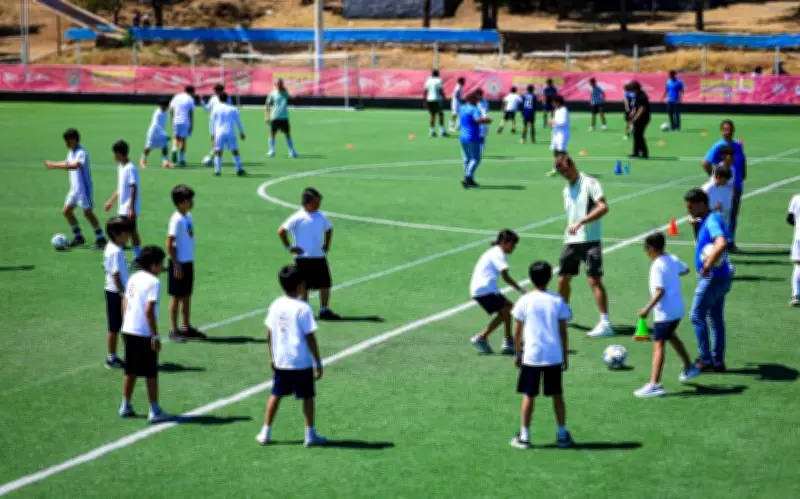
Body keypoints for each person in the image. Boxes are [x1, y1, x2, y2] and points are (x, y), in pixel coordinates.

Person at [256, 265, 326, 447]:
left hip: (281, 360)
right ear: (299, 285)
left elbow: (269, 333)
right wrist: (318, 361)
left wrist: (272, 356)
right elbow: (310, 336)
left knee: (276, 394)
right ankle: (310, 433)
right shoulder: (303, 308)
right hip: (300, 361)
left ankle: (265, 431)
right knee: (308, 397)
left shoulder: (276, 305)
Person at [509, 261, 573, 449]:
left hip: (532, 355)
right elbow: (563, 331)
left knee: (529, 395)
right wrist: (565, 355)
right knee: (557, 395)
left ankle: (525, 436)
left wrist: (517, 353)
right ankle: (562, 434)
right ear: (549, 278)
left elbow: (518, 330)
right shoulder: (557, 300)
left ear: (530, 278)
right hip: (553, 355)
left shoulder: (525, 300)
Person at [634, 232, 701, 398]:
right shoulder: (671, 258)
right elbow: (685, 270)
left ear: (651, 249)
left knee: (658, 345)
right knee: (670, 336)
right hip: (677, 309)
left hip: (665, 312)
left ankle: (654, 384)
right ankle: (689, 366)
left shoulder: (657, 266)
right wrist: (671, 274)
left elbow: (659, 292)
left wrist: (646, 310)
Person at [554, 155, 614, 338]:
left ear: (573, 165)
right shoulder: (566, 189)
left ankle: (605, 323)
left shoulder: (590, 183)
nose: (566, 175)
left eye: (567, 170)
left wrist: (583, 221)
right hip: (571, 240)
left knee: (593, 279)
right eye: (562, 173)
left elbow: (603, 207)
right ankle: (564, 312)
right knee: (563, 279)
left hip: (590, 239)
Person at [119, 245, 171, 424]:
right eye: (161, 264)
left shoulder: (134, 277)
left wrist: (125, 324)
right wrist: (155, 335)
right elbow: (149, 310)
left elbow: (125, 301)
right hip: (143, 332)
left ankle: (125, 405)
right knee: (151, 372)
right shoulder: (154, 282)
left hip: (129, 329)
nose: (162, 267)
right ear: (154, 265)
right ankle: (154, 410)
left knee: (131, 369)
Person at [684, 188, 733, 372]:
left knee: (696, 316)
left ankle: (705, 359)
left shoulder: (712, 220)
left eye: (690, 206)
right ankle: (718, 360)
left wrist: (707, 265)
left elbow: (720, 243)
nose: (688, 210)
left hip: (712, 277)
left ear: (701, 204)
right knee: (715, 318)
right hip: (722, 277)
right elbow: (705, 244)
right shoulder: (709, 219)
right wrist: (696, 227)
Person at [278, 188, 340, 320]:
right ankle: (304, 310)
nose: (319, 205)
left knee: (325, 283)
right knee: (304, 286)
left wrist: (327, 244)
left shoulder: (321, 216)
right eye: (316, 202)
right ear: (307, 203)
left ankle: (324, 309)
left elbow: (329, 229)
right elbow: (281, 231)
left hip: (319, 256)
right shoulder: (297, 217)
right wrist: (290, 248)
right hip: (303, 258)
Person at [44, 128, 107, 249]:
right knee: (67, 211)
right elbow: (67, 163)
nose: (66, 143)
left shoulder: (81, 152)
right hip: (74, 189)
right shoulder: (71, 152)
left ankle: (101, 238)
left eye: (68, 140)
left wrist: (53, 165)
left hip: (83, 189)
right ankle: (78, 237)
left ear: (75, 140)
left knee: (88, 213)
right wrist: (55, 163)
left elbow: (74, 166)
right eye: (65, 141)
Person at [469, 230, 527, 355]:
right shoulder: (498, 253)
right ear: (503, 242)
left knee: (507, 310)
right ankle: (485, 338)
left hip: (484, 289)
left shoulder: (495, 252)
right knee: (508, 309)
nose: (514, 248)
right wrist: (523, 291)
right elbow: (505, 277)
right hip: (484, 290)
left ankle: (506, 341)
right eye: (512, 244)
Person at [166, 184, 206, 342]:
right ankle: (174, 329)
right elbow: (169, 243)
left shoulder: (187, 216)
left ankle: (185, 327)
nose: (192, 202)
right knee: (176, 296)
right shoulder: (176, 220)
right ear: (181, 202)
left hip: (188, 261)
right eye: (190, 200)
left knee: (187, 295)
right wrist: (176, 264)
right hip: (179, 263)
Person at [702, 120, 746, 252]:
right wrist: (715, 177)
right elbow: (705, 162)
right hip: (722, 189)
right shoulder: (718, 146)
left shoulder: (737, 146)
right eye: (725, 129)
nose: (728, 132)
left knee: (732, 215)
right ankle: (715, 242)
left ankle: (730, 241)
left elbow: (742, 161)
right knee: (718, 214)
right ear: (721, 131)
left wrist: (743, 175)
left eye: (730, 129)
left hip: (735, 186)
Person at [104, 140, 142, 264]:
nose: (114, 156)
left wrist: (131, 208)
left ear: (119, 153)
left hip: (128, 208)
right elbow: (120, 189)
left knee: (130, 232)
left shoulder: (130, 168)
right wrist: (111, 201)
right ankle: (125, 258)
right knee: (127, 232)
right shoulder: (121, 167)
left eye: (115, 154)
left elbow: (133, 187)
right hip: (123, 207)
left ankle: (137, 258)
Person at [103, 216, 133, 370]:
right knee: (117, 327)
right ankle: (112, 357)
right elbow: (115, 274)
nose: (128, 236)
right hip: (116, 293)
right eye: (125, 233)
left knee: (121, 325)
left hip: (114, 292)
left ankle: (127, 355)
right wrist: (123, 293)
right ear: (116, 234)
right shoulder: (116, 251)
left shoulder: (113, 247)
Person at [458, 91, 492, 188]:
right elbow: (477, 120)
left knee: (467, 158)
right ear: (472, 100)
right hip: (472, 136)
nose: (478, 101)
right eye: (476, 99)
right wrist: (487, 120)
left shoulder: (462, 108)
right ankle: (468, 177)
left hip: (462, 137)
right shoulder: (474, 109)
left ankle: (470, 179)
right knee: (476, 159)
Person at [210, 92, 246, 177]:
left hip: (219, 133)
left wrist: (212, 135)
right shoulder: (232, 108)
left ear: (219, 99)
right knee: (235, 151)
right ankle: (239, 169)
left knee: (218, 151)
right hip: (230, 132)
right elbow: (238, 122)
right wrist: (241, 132)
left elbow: (212, 123)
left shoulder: (215, 109)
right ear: (227, 99)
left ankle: (217, 170)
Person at [702, 158, 734, 240]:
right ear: (718, 177)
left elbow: (727, 210)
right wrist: (713, 209)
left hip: (721, 226)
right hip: (707, 226)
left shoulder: (728, 190)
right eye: (725, 179)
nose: (726, 181)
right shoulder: (706, 189)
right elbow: (700, 210)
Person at [265, 79, 298, 158]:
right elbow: (267, 105)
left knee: (287, 134)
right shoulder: (272, 94)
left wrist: (290, 90)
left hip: (284, 117)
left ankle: (291, 151)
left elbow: (293, 97)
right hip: (275, 117)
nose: (279, 85)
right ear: (275, 84)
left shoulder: (285, 92)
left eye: (280, 84)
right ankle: (271, 151)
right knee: (272, 134)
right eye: (277, 84)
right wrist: (267, 116)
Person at [202, 83, 232, 166]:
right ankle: (214, 158)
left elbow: (229, 108)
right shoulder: (213, 98)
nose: (215, 92)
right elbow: (208, 109)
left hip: (221, 122)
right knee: (213, 140)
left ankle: (212, 157)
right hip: (212, 121)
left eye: (217, 90)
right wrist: (203, 104)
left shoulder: (226, 98)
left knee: (218, 141)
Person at [169, 85, 196, 166]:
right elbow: (191, 113)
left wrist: (172, 120)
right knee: (183, 140)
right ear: (191, 92)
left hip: (176, 120)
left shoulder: (176, 97)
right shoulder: (190, 99)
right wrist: (191, 125)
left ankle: (174, 149)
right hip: (185, 121)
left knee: (176, 137)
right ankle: (181, 159)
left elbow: (171, 109)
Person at [140, 99, 172, 169]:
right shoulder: (158, 113)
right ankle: (143, 160)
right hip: (153, 133)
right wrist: (165, 135)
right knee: (148, 147)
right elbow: (155, 125)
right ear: (162, 106)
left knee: (165, 146)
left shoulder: (165, 111)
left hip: (161, 132)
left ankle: (165, 162)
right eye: (167, 105)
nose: (168, 106)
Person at [545, 96, 570, 177]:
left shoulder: (564, 110)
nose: (552, 104)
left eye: (554, 102)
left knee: (561, 151)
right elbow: (555, 121)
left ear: (558, 102)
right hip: (555, 133)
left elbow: (562, 122)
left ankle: (569, 168)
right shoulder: (556, 110)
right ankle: (555, 169)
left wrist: (552, 122)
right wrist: (551, 123)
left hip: (562, 133)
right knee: (555, 151)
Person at [629, 81, 651, 159]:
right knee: (636, 135)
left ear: (635, 88)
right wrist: (632, 113)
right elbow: (635, 107)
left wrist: (635, 118)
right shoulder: (636, 94)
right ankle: (636, 152)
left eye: (631, 88)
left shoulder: (642, 95)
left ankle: (644, 153)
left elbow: (642, 108)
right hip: (639, 118)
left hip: (643, 118)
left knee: (639, 135)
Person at [423, 69, 447, 138]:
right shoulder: (439, 80)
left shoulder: (428, 80)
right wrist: (444, 96)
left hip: (429, 99)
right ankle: (442, 131)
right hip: (437, 99)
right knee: (440, 114)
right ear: (437, 74)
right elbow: (440, 90)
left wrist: (424, 100)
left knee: (432, 115)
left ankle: (431, 131)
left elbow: (425, 91)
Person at [787, 194, 800, 306]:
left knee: (798, 265)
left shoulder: (796, 198)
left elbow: (789, 219)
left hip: (799, 237)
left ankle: (796, 295)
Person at [476, 88, 490, 155]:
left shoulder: (484, 102)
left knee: (482, 137)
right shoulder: (474, 102)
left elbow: (485, 111)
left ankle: (481, 151)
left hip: (483, 122)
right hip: (476, 121)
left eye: (479, 95)